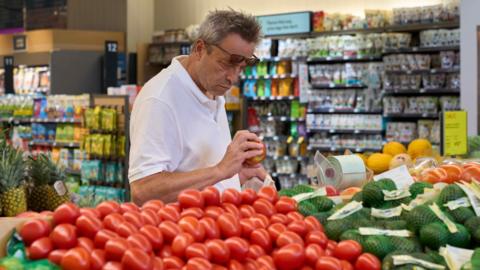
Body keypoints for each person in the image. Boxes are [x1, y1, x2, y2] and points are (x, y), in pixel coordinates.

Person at [129, 9, 268, 205]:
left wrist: (233, 176)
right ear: (200, 49)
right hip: (180, 233)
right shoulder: (160, 100)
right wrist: (220, 170)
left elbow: (196, 169)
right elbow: (143, 190)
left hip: (212, 229)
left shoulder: (210, 89)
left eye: (240, 68)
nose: (233, 78)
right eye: (226, 64)